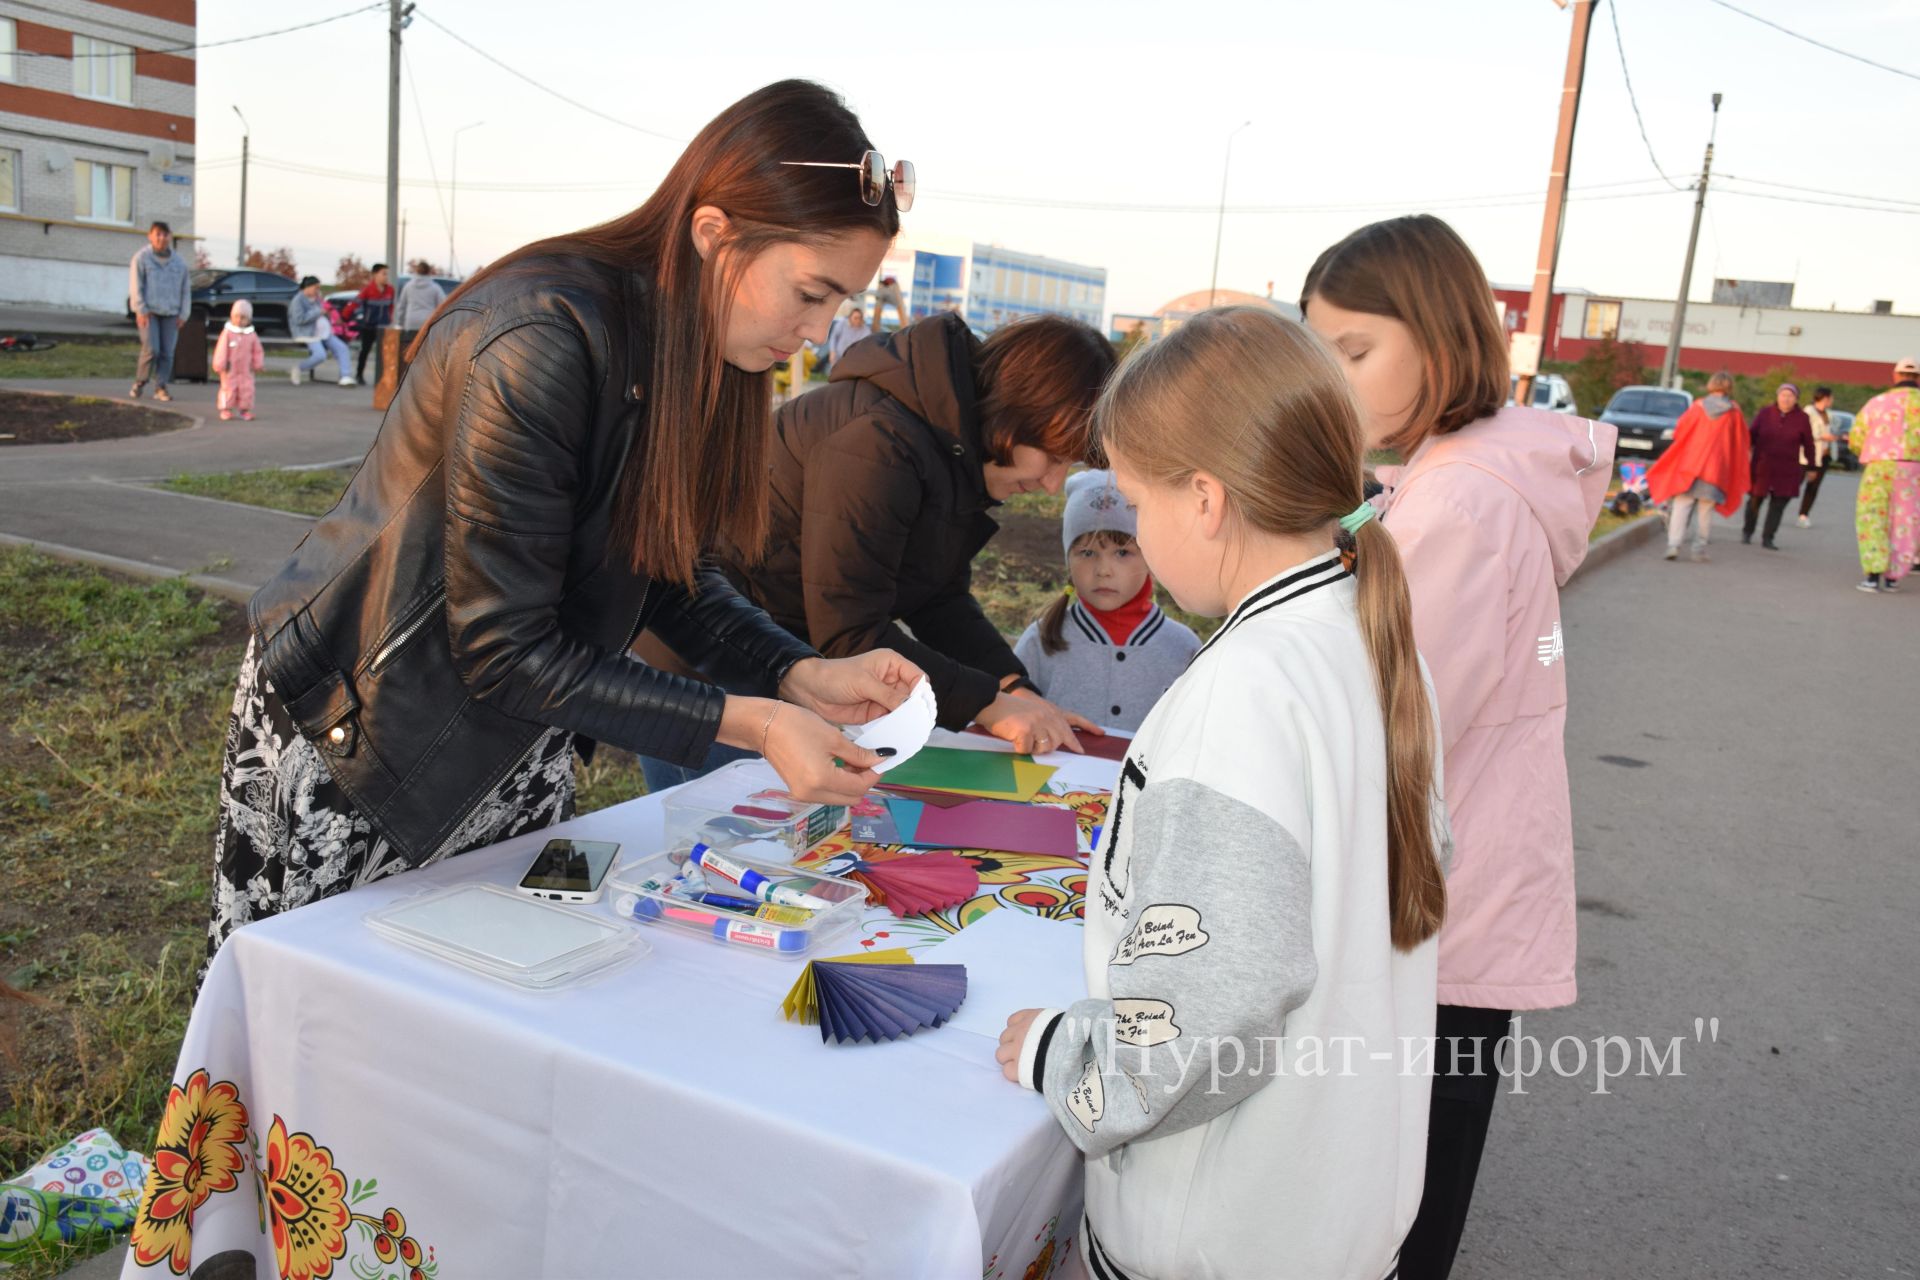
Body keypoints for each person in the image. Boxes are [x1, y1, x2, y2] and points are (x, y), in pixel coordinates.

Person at [208, 80, 921, 976]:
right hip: (356, 738)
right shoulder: (543, 334)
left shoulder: (693, 348)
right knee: (308, 1030)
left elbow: (668, 570)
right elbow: (503, 647)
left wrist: (796, 670)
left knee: (491, 1012)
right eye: (810, 294)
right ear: (714, 235)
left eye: (839, 306)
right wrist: (760, 723)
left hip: (520, 738)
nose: (816, 334)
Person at [995, 308, 1449, 1280]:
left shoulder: (1242, 691)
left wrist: (1056, 1053)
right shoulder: (1363, 639)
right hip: (1322, 1208)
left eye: (1136, 506)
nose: (1136, 540)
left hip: (1217, 1232)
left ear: (1204, 498)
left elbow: (1198, 1020)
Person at [1301, 213, 1615, 1280]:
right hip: (1452, 895)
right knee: (1414, 1186)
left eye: (1354, 350)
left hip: (1428, 910)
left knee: (1391, 1209)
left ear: (1438, 336)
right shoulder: (1459, 477)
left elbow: (1387, 720)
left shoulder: (1463, 504)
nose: (1333, 380)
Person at [700, 310, 1115, 791]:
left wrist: (1009, 685)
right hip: (711, 656)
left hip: (783, 655)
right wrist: (987, 703)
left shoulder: (952, 447)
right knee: (731, 839)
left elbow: (939, 599)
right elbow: (850, 635)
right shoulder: (880, 442)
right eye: (1053, 456)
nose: (1051, 484)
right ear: (1016, 409)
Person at [1012, 469, 1199, 732]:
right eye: (1087, 553)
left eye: (1122, 552)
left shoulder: (1183, 648)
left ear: (1150, 557)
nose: (1103, 570)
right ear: (1068, 561)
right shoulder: (1040, 641)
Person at [1648, 371, 1750, 562]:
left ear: (1711, 385)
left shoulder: (1697, 407)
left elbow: (1681, 430)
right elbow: (1740, 441)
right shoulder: (1734, 412)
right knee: (1705, 510)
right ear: (1729, 387)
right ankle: (1699, 549)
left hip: (1690, 464)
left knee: (1681, 506)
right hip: (1716, 469)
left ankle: (1673, 545)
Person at [1849, 355, 1920, 593]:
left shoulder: (1877, 402)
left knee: (1873, 516)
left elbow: (1856, 436)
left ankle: (1873, 574)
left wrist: (1866, 451)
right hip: (1913, 468)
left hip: (1880, 464)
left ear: (1896, 376)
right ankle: (1894, 576)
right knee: (1905, 520)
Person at [1743, 383, 1815, 549]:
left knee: (1778, 503)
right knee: (1755, 499)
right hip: (1763, 465)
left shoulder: (1802, 418)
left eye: (1790, 396)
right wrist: (1743, 451)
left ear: (1796, 399)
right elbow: (1751, 435)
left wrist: (1812, 467)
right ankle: (1748, 531)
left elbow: (1809, 444)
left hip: (1787, 467)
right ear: (1777, 397)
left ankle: (1768, 537)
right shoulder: (1766, 413)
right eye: (1783, 395)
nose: (1786, 399)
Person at [128, 220, 190, 403]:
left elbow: (185, 290)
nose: (161, 238)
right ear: (150, 236)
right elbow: (135, 286)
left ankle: (161, 387)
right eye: (158, 234)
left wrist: (183, 314)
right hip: (149, 313)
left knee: (167, 352)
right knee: (152, 349)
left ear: (170, 237)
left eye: (165, 234)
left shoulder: (179, 263)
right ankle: (140, 381)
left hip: (171, 314)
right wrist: (140, 309)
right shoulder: (142, 258)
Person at [288, 277, 356, 387]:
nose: (317, 290)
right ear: (308, 287)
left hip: (325, 334)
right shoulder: (298, 301)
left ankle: (345, 376)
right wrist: (318, 312)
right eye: (316, 287)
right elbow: (299, 319)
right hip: (308, 334)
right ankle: (299, 368)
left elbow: (324, 313)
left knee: (342, 348)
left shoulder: (317, 299)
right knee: (320, 355)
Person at [210, 299, 265, 422]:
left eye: (243, 317)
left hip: (246, 369)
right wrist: (220, 364)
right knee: (228, 388)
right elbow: (221, 349)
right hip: (230, 369)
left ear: (249, 319)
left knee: (246, 389)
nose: (239, 320)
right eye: (236, 317)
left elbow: (257, 351)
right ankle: (226, 409)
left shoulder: (251, 335)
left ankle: (244, 410)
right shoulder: (228, 333)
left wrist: (257, 364)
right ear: (232, 317)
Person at [1797, 386, 1834, 528]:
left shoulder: (1829, 414)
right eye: (1831, 397)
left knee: (1813, 487)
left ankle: (1803, 515)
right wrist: (1821, 436)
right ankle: (1779, 503)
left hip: (1823, 455)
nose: (1832, 400)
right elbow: (1803, 433)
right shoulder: (1808, 412)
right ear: (1825, 398)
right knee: (1796, 483)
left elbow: (1830, 431)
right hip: (1807, 456)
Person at [352, 263, 395, 384]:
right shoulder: (368, 290)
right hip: (369, 326)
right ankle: (359, 375)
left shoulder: (390, 290)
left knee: (385, 353)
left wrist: (389, 319)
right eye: (384, 274)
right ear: (375, 275)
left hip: (383, 327)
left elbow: (391, 306)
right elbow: (356, 304)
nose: (386, 277)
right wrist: (346, 317)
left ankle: (384, 378)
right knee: (365, 350)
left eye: (387, 274)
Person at [392, 261, 446, 333]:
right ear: (429, 272)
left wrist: (400, 323)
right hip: (427, 321)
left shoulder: (408, 286)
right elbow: (443, 305)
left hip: (411, 322)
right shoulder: (435, 287)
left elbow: (402, 306)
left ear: (416, 271)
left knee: (411, 343)